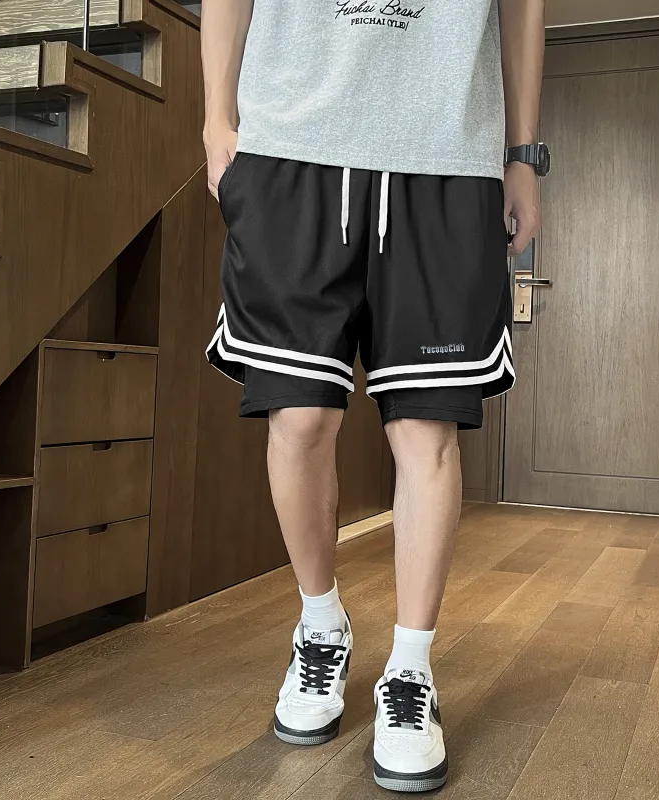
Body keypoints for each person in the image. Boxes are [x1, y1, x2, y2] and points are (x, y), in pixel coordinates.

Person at [200, 0, 545, 791]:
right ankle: (321, 624)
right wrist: (218, 115)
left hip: (446, 153)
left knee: (426, 432)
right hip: (292, 141)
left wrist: (523, 154)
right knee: (297, 417)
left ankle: (410, 671)